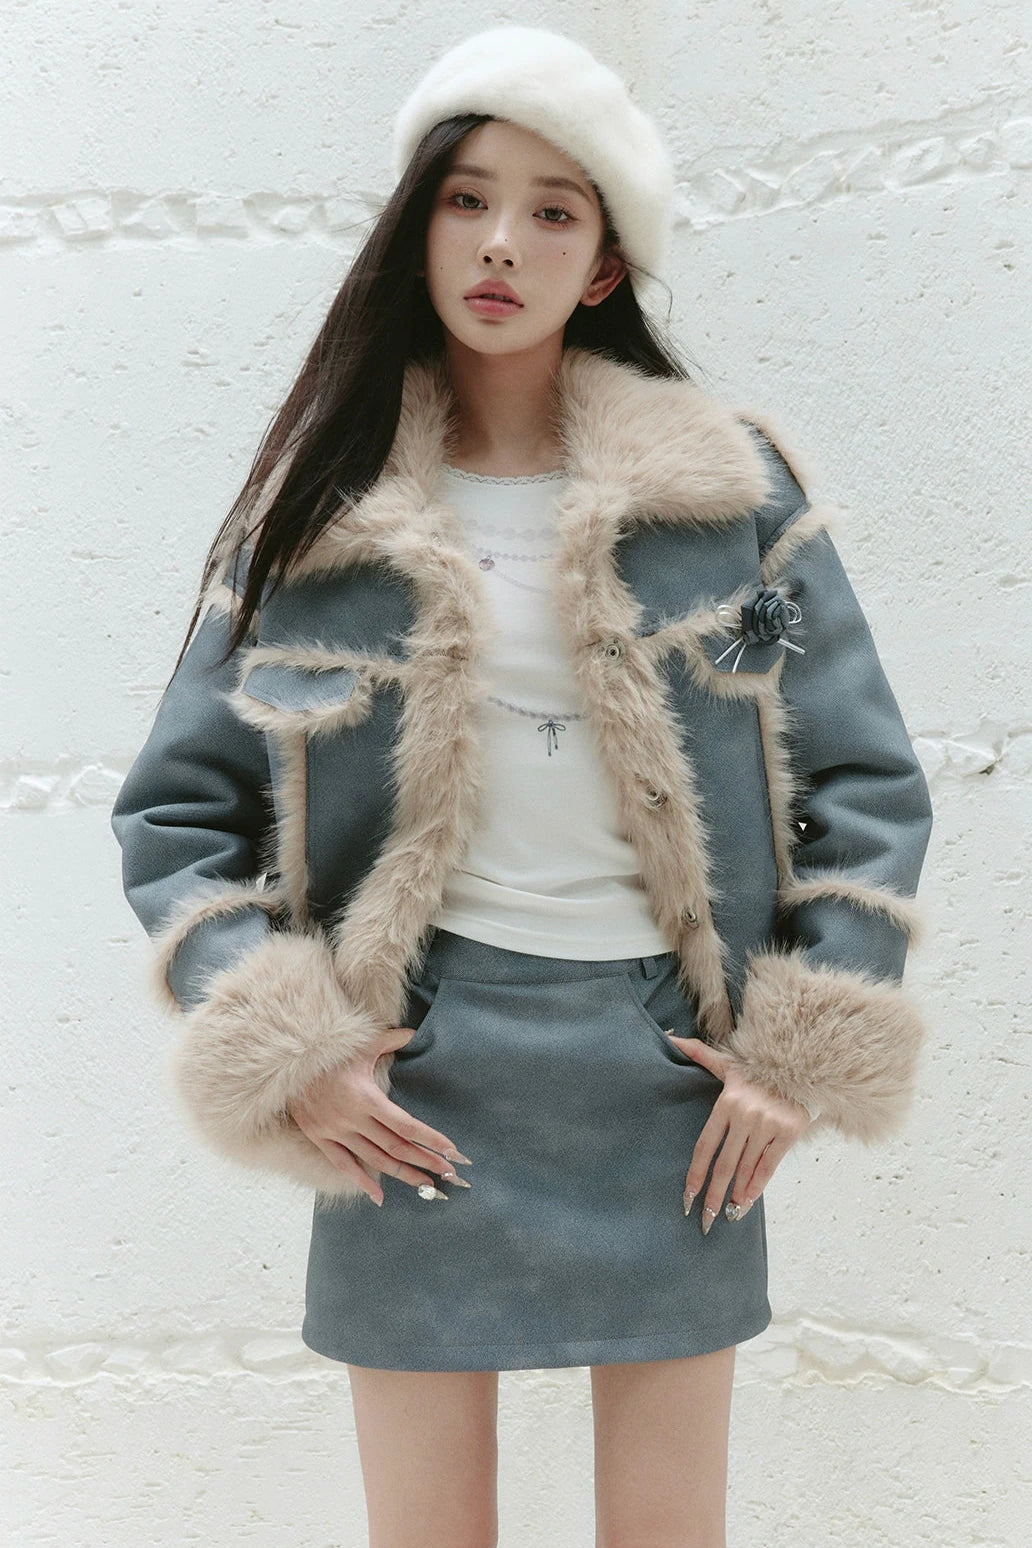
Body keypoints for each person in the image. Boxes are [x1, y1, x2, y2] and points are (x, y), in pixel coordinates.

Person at [110, 25, 934, 1548]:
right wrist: (295, 1049)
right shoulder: (320, 515)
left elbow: (867, 778)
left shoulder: (730, 491)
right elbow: (175, 817)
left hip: (668, 1081)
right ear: (416, 225)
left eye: (554, 211)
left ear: (605, 266)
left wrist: (794, 1053)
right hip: (409, 1080)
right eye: (468, 198)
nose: (503, 242)